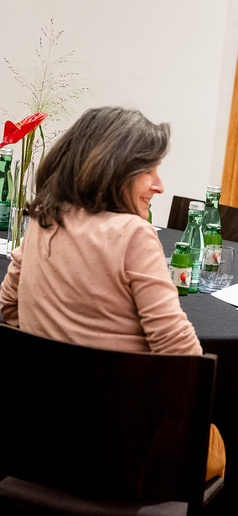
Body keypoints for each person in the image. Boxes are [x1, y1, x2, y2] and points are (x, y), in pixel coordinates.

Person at [0, 106, 224, 480]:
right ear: (114, 169)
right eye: (149, 171)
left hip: (37, 445)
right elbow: (182, 360)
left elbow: (8, 310)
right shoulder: (134, 235)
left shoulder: (43, 219)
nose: (160, 185)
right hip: (124, 459)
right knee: (225, 440)